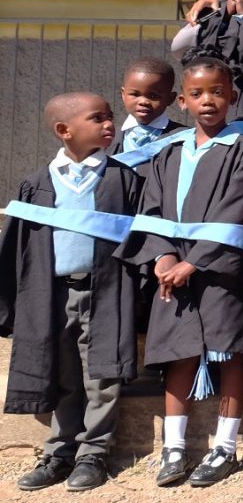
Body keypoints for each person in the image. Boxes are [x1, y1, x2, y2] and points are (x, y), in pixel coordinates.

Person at [118, 57, 243, 487]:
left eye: (218, 92)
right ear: (181, 101)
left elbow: (236, 211)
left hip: (222, 271)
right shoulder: (168, 153)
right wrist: (163, 258)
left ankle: (224, 446)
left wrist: (193, 262)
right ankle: (175, 447)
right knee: (177, 355)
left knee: (230, 353)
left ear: (233, 97)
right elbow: (152, 212)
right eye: (198, 94)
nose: (208, 101)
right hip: (172, 271)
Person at [2, 93, 140, 492]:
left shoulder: (122, 178)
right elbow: (18, 246)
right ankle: (60, 452)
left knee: (103, 375)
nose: (109, 124)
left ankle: (93, 454)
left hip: (106, 290)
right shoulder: (38, 183)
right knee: (61, 374)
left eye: (110, 116)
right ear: (65, 131)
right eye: (97, 118)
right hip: (50, 294)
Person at [108, 58, 183, 170]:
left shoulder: (183, 139)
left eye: (153, 96)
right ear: (123, 95)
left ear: (170, 98)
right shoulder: (107, 139)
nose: (143, 102)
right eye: (135, 94)